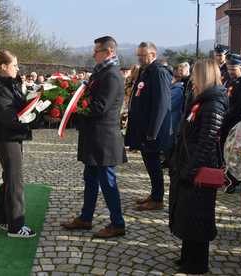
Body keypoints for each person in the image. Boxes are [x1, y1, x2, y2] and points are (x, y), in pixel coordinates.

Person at [61, 36, 127, 238]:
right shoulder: (101, 72)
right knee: (90, 179)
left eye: (96, 51)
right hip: (94, 137)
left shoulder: (112, 75)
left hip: (104, 139)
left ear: (109, 52)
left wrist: (75, 109)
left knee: (107, 182)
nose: (93, 54)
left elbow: (100, 107)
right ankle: (86, 218)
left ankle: (118, 223)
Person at [169, 59, 228, 274]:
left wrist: (191, 170)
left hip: (200, 168)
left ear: (204, 76)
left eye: (195, 74)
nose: (192, 78)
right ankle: (187, 256)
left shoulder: (214, 103)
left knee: (199, 216)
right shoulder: (200, 100)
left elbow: (207, 141)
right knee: (186, 214)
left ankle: (198, 263)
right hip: (188, 163)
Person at [0, 50, 36, 238]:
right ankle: (16, 226)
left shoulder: (7, 84)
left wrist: (35, 101)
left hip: (9, 136)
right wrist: (31, 119)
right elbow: (9, 117)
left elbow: (17, 107)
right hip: (6, 137)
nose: (18, 69)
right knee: (15, 181)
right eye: (15, 65)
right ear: (3, 67)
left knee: (9, 179)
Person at [125, 42, 172, 211]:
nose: (139, 58)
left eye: (143, 55)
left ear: (153, 54)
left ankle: (158, 198)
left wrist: (153, 131)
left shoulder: (158, 72)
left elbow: (161, 104)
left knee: (153, 163)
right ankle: (154, 193)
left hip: (153, 130)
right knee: (149, 162)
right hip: (144, 128)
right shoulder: (146, 71)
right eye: (138, 54)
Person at [221, 54, 241, 194]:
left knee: (234, 153)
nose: (230, 72)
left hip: (236, 123)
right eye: (229, 69)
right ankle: (227, 177)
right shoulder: (230, 82)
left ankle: (234, 180)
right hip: (226, 121)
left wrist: (225, 115)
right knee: (224, 150)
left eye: (233, 69)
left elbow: (240, 106)